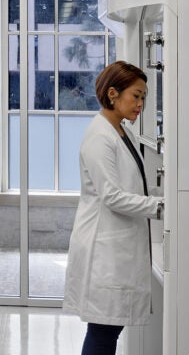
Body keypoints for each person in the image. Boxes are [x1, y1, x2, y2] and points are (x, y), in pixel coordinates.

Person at [62, 61, 163, 355]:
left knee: (107, 329)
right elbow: (113, 196)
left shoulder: (122, 131)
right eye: (136, 96)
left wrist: (164, 196)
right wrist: (160, 206)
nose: (141, 104)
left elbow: (135, 186)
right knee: (103, 330)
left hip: (116, 247)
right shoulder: (100, 136)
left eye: (144, 97)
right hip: (103, 249)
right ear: (112, 94)